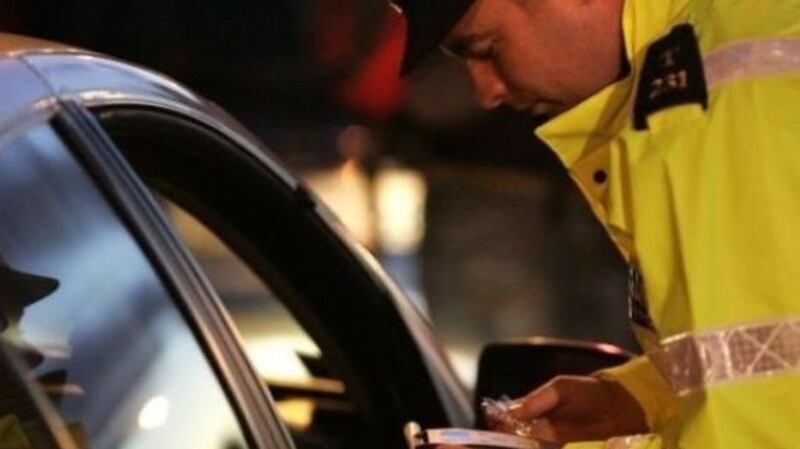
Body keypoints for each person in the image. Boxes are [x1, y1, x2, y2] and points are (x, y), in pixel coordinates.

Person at [391, 0, 800, 448]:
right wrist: (630, 402)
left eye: (488, 48)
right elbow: (764, 363)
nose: (487, 91)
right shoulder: (738, 47)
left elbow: (755, 427)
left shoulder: (706, 104)